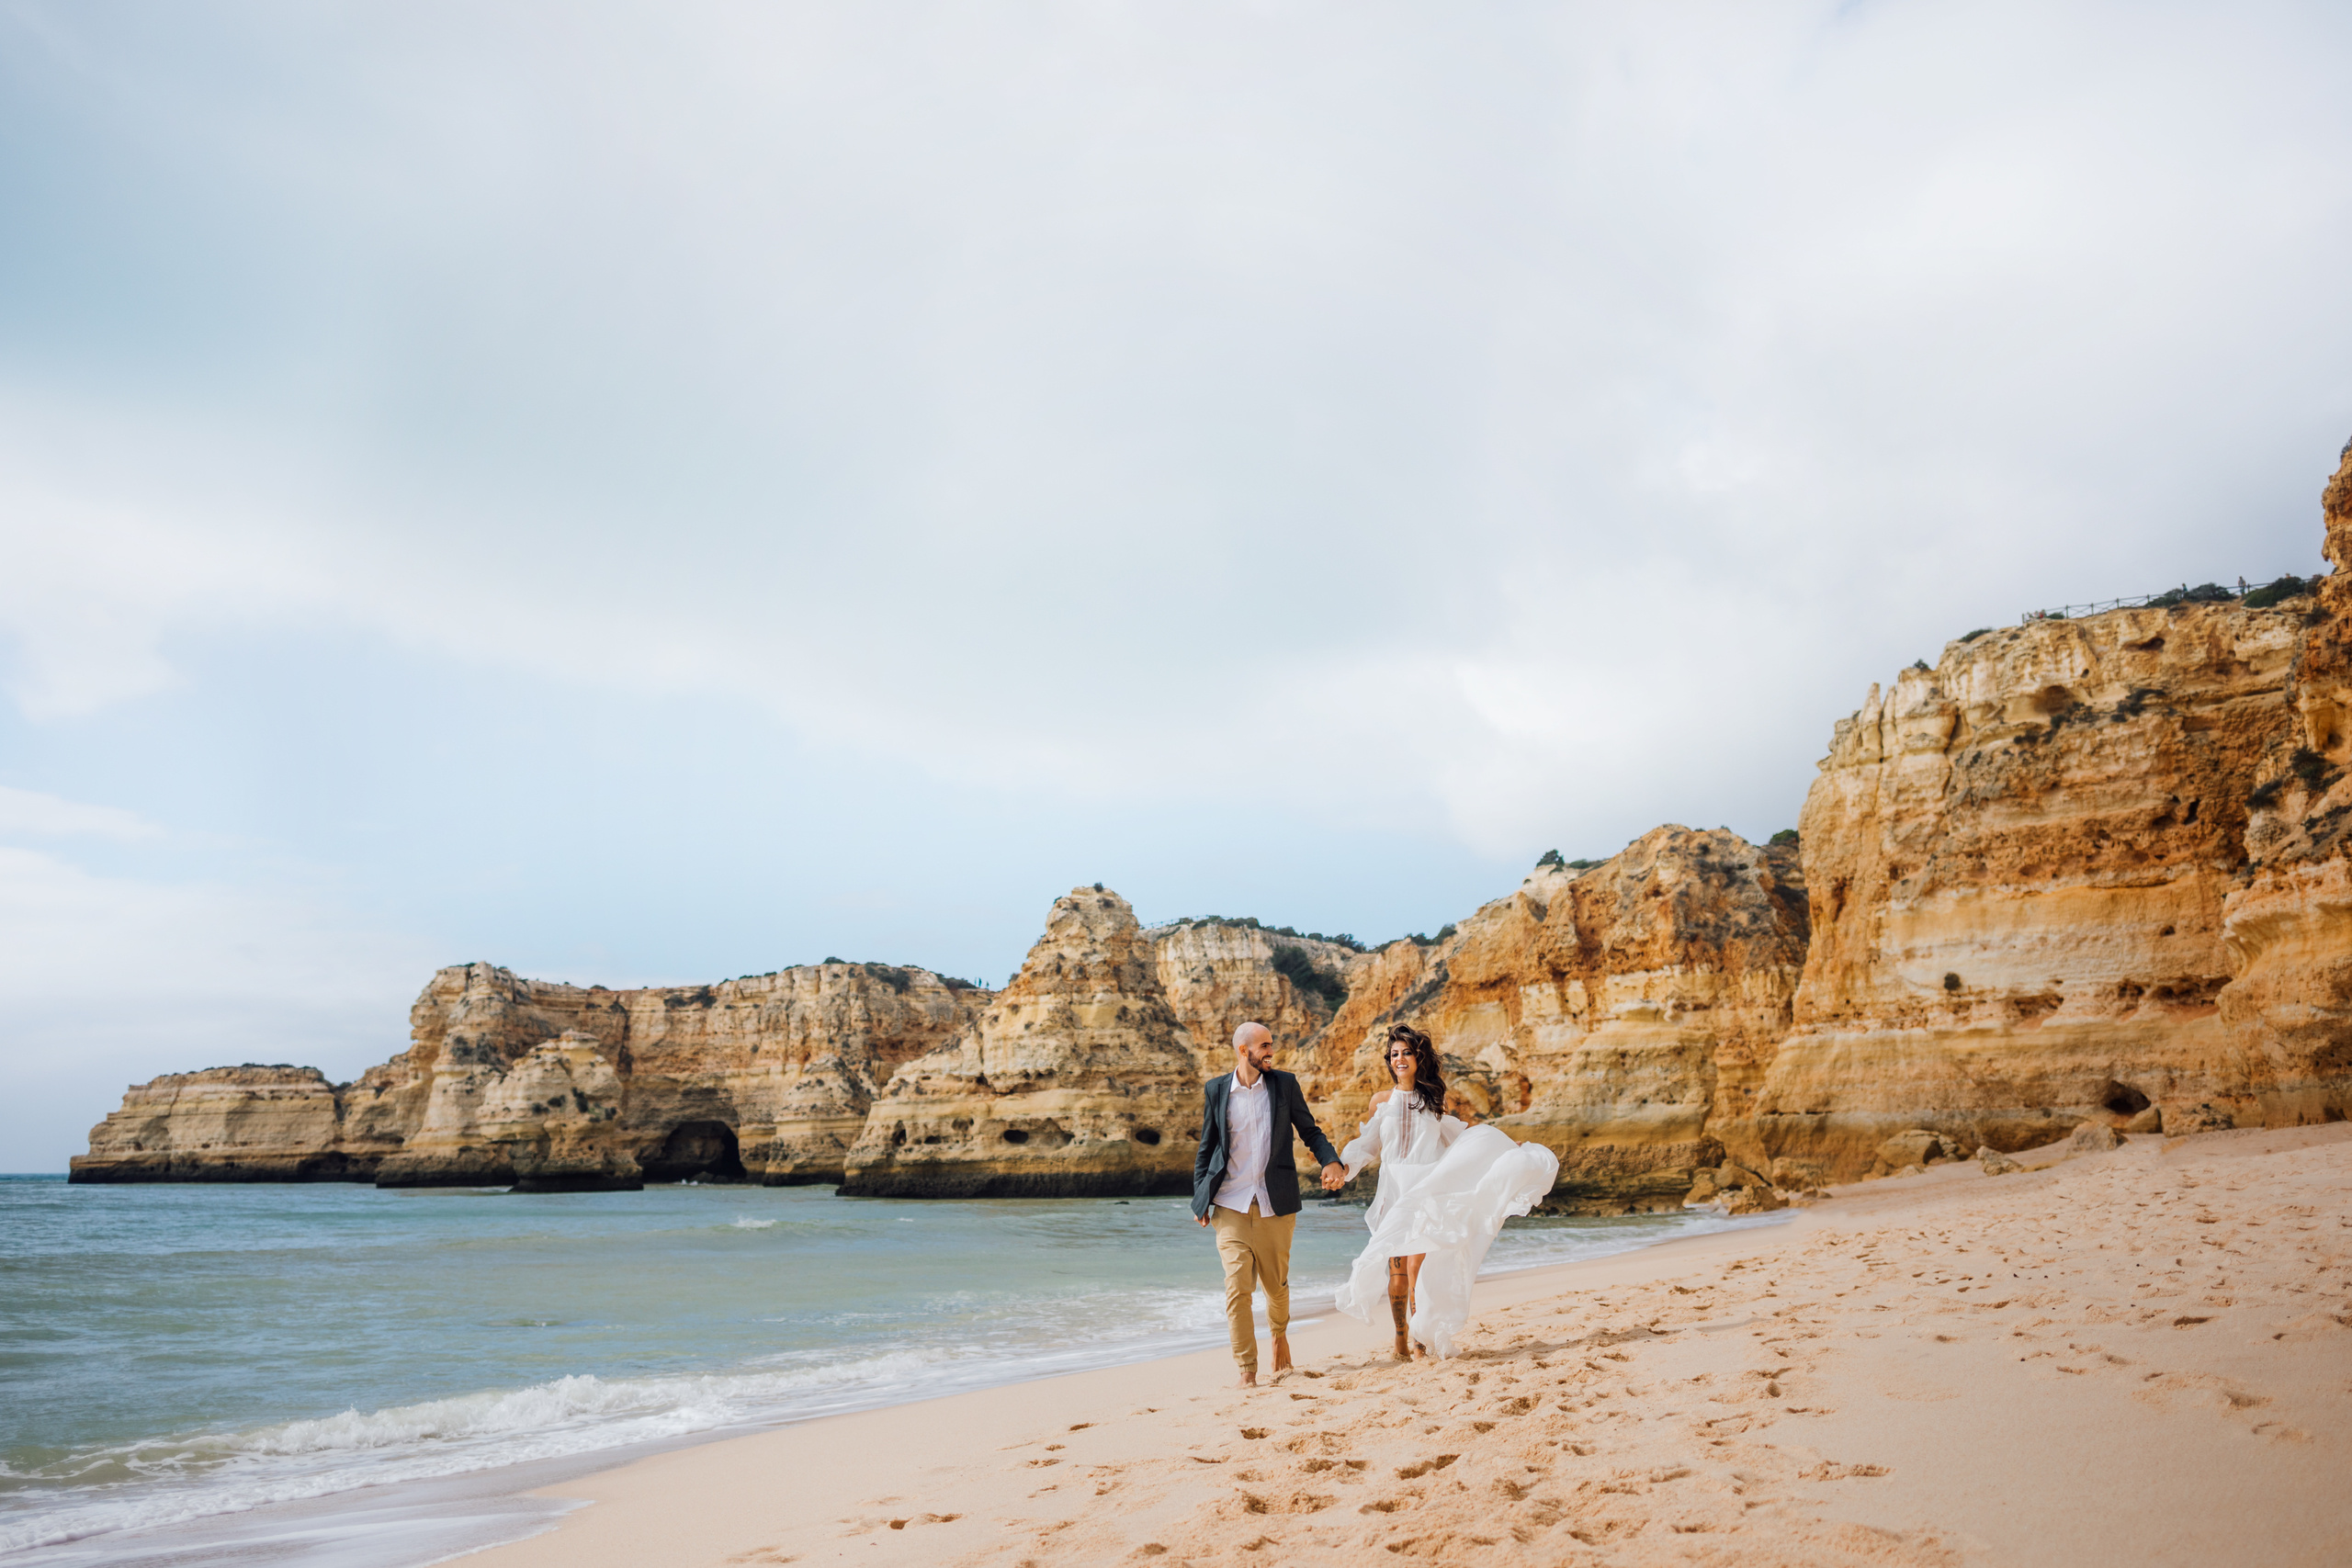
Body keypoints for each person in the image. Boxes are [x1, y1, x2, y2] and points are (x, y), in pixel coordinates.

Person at [1331, 1022, 1561, 1360]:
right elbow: (1368, 1144)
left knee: (1418, 1270)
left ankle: (1420, 1341)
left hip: (1427, 1188)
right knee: (1396, 1271)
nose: (1400, 1059)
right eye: (1394, 1054)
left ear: (1418, 1056)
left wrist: (1504, 1146)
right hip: (1394, 1189)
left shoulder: (1433, 1099)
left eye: (1406, 1052)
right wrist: (1344, 1169)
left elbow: (1459, 1139)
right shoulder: (1380, 1101)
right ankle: (1399, 1339)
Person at [1193, 1021, 1346, 1386]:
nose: (1270, 1052)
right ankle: (1247, 1372)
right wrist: (1200, 1197)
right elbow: (1207, 1147)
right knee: (1237, 1289)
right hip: (1229, 1204)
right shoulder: (1216, 1090)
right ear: (1243, 1051)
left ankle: (1279, 1334)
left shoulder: (1284, 1085)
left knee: (1275, 1288)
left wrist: (1331, 1160)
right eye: (1264, 1046)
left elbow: (1310, 1131)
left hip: (1274, 1203)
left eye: (1271, 1045)